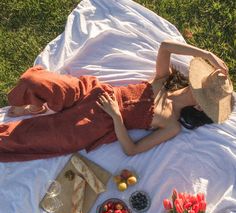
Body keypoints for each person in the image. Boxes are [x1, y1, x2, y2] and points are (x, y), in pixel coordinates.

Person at [0, 39, 233, 162]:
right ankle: (37, 105)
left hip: (97, 123)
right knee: (33, 79)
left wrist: (115, 116)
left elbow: (131, 150)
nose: (195, 83)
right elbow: (165, 46)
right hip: (92, 92)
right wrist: (205, 54)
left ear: (200, 106)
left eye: (201, 89)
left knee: (26, 138)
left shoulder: (171, 125)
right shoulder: (165, 80)